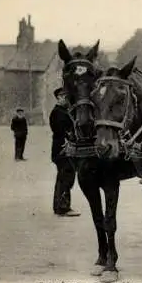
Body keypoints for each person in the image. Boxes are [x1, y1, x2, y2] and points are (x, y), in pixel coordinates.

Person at [49, 88, 80, 217]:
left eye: (67, 97)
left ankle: (60, 206)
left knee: (64, 177)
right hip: (63, 149)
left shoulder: (63, 111)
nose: (66, 99)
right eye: (63, 97)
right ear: (58, 98)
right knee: (66, 177)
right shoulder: (57, 112)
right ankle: (63, 207)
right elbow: (61, 131)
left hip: (62, 149)